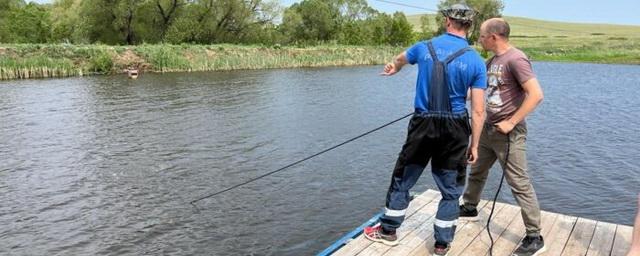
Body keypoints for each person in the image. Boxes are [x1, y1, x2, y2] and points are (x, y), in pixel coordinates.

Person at [362, 3, 487, 256]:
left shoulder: (423, 48)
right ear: (470, 26)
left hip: (423, 124)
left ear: (447, 22)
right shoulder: (476, 60)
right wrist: (474, 144)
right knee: (451, 188)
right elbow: (478, 111)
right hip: (456, 127)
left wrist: (394, 68)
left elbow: (399, 59)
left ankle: (388, 232)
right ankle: (441, 244)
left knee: (404, 177)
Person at [458, 18, 545, 256]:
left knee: (519, 183)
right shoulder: (492, 61)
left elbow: (536, 95)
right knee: (476, 169)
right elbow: (479, 89)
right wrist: (453, 97)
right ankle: (470, 207)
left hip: (509, 132)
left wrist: (511, 121)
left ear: (494, 37)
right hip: (489, 129)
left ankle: (535, 236)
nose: (480, 39)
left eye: (483, 36)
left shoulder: (516, 59)